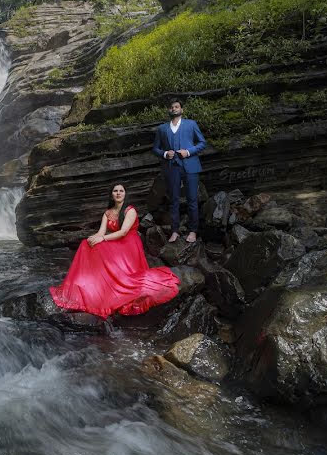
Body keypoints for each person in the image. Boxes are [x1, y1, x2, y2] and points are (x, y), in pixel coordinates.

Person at [49, 184, 180, 318]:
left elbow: (123, 232)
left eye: (121, 191)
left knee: (101, 247)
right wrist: (93, 238)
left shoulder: (130, 210)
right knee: (85, 244)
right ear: (112, 194)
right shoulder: (108, 212)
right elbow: (100, 232)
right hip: (115, 241)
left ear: (125, 194)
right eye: (115, 191)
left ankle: (108, 282)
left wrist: (103, 238)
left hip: (129, 244)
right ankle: (88, 283)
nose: (118, 193)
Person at [153, 99, 208, 243]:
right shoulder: (162, 129)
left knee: (192, 199)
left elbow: (202, 143)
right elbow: (155, 149)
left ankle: (193, 231)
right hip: (171, 168)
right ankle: (175, 231)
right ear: (169, 111)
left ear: (181, 110)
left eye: (177, 107)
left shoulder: (191, 124)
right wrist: (165, 154)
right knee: (174, 200)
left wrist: (188, 152)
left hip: (190, 166)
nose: (174, 109)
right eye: (171, 107)